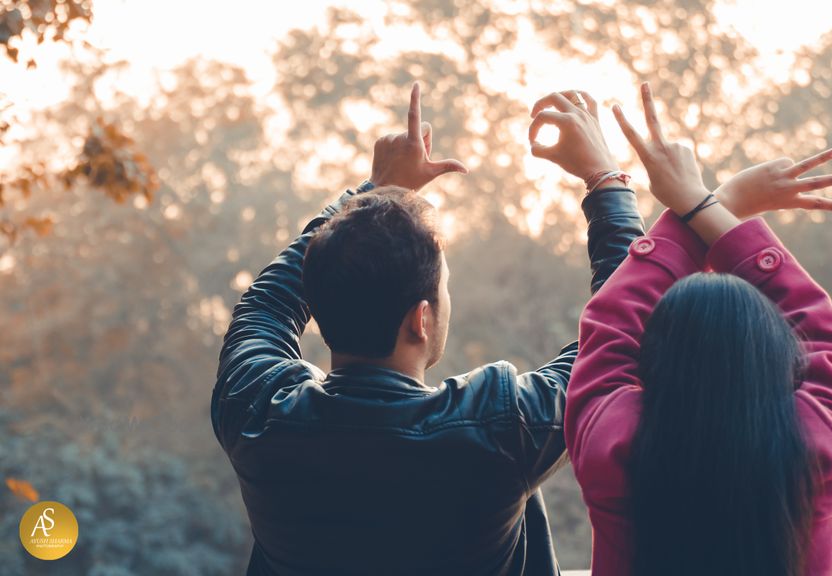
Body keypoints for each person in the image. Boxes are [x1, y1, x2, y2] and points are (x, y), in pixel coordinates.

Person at [210, 83, 645, 576]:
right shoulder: (497, 432)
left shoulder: (258, 412)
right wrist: (605, 178)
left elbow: (265, 305)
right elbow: (617, 337)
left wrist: (373, 192)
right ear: (421, 319)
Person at [565, 83, 832, 576]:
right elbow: (822, 328)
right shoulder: (820, 448)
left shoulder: (614, 447)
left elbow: (610, 324)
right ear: (780, 355)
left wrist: (714, 202)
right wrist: (703, 202)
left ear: (652, 361)